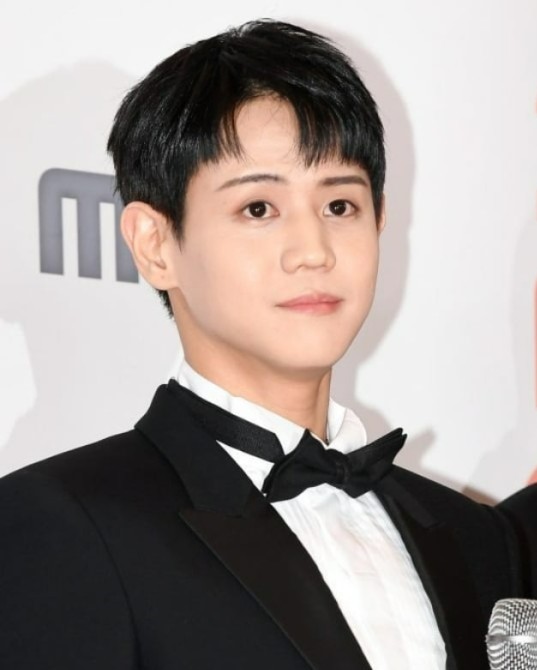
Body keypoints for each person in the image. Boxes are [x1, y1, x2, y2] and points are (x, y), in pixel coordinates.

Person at [0, 19, 527, 670]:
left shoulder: (475, 538)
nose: (313, 251)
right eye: (258, 209)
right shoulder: (69, 522)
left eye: (339, 206)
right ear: (155, 244)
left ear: (380, 220)